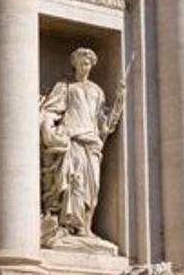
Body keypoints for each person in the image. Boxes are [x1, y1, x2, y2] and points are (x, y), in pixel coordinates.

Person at [39, 47, 123, 239]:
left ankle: (86, 226)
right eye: (81, 63)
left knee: (91, 188)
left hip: (92, 142)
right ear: (74, 64)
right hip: (73, 139)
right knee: (72, 183)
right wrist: (49, 130)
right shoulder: (66, 87)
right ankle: (67, 226)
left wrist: (118, 102)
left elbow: (103, 122)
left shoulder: (97, 91)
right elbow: (52, 110)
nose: (84, 67)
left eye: (87, 63)